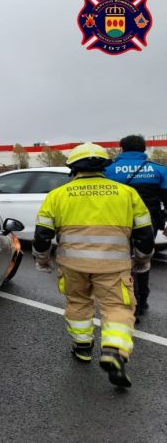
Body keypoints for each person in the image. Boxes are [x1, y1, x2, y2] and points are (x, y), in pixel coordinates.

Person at [32, 142, 154, 388]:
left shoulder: (57, 195)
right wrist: (142, 259)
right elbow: (145, 234)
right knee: (118, 307)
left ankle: (83, 348)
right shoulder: (127, 193)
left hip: (72, 265)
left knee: (78, 303)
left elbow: (42, 235)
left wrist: (43, 260)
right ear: (104, 166)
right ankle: (114, 351)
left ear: (73, 168)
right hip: (113, 266)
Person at [104, 134, 167, 320]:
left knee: (121, 262)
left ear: (121, 149)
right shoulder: (159, 170)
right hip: (149, 224)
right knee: (142, 260)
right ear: (143, 149)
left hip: (117, 223)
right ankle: (142, 301)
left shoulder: (108, 170)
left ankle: (126, 300)